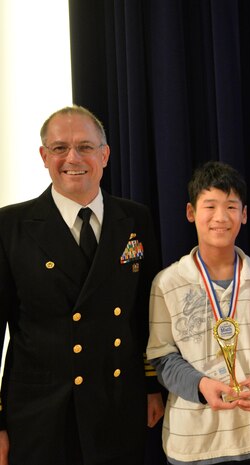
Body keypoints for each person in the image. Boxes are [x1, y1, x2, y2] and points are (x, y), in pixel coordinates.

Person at [0, 105, 164, 464]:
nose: (72, 157)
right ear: (44, 156)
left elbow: (147, 315)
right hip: (42, 413)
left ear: (104, 155)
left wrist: (152, 386)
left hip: (119, 402)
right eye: (59, 148)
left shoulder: (135, 218)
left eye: (85, 147)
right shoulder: (10, 226)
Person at [147, 161, 250, 465]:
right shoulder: (167, 282)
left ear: (244, 215)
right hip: (191, 442)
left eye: (231, 207)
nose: (221, 217)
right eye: (210, 206)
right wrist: (200, 386)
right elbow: (161, 356)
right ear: (191, 212)